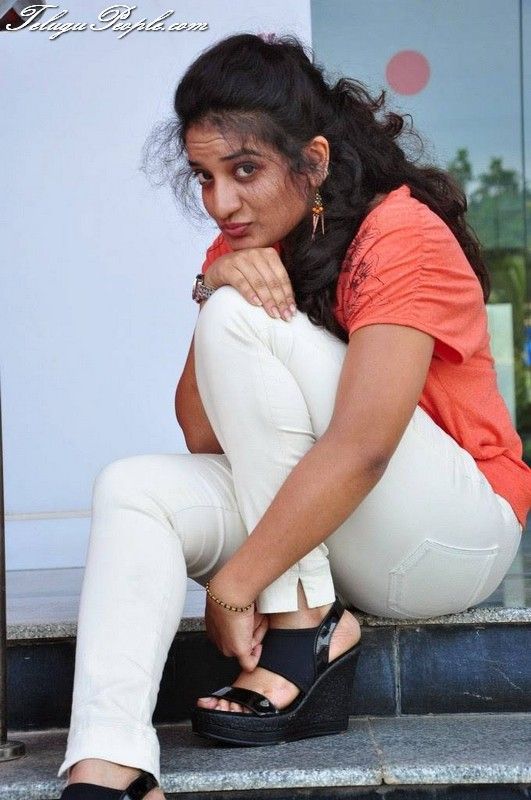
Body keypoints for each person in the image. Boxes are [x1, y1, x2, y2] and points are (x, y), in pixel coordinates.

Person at [57, 31, 531, 799]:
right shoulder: (245, 246)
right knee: (132, 487)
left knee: (238, 316)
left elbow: (365, 446)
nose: (220, 202)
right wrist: (215, 284)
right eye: (205, 176)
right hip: (342, 537)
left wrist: (237, 583)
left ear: (311, 161)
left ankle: (302, 625)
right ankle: (110, 764)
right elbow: (205, 434)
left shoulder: (400, 233)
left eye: (243, 170)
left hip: (450, 538)